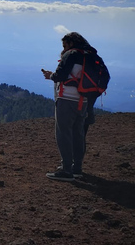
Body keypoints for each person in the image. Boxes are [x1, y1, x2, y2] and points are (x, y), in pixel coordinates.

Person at [41, 31, 97, 181]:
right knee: (78, 134)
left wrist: (50, 76)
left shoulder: (70, 55)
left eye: (65, 45)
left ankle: (66, 170)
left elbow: (60, 76)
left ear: (71, 43)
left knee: (63, 134)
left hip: (67, 99)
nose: (64, 48)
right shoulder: (88, 55)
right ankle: (77, 168)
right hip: (83, 101)